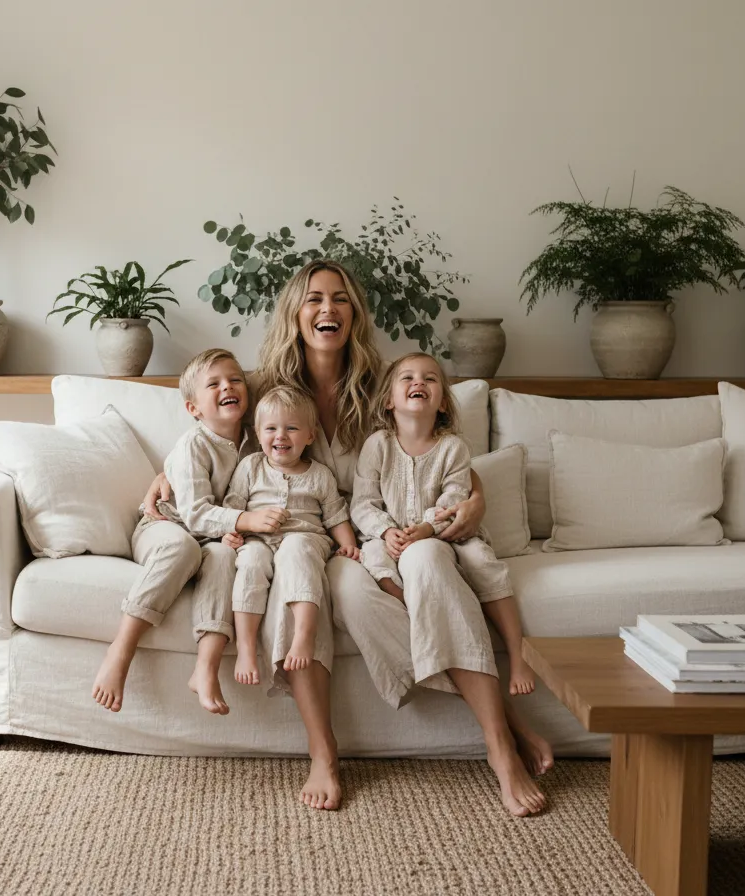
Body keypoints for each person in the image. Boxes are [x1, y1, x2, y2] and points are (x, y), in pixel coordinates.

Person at [146, 259, 554, 815]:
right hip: (310, 535)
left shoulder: (382, 383)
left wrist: (475, 495)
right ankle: (323, 751)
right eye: (314, 299)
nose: (327, 309)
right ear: (296, 312)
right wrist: (167, 472)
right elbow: (209, 436)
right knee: (319, 585)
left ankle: (500, 740)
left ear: (354, 314)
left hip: (366, 532)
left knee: (408, 578)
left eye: (340, 299)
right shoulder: (267, 386)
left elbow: (433, 446)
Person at [92, 348, 282, 715]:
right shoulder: (194, 444)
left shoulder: (256, 440)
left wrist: (233, 533)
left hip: (212, 538)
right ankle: (121, 649)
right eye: (214, 384)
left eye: (235, 379)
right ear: (193, 409)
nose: (228, 387)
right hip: (165, 525)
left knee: (225, 556)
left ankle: (205, 668)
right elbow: (193, 513)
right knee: (182, 549)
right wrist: (243, 521)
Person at [352, 352, 535, 696]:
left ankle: (518, 652)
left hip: (447, 536)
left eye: (430, 378)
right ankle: (422, 622)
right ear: (389, 401)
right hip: (388, 535)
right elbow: (362, 502)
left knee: (483, 563)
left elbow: (455, 495)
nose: (419, 382)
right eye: (407, 378)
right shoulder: (377, 445)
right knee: (374, 559)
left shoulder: (453, 448)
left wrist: (426, 527)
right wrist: (386, 530)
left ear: (443, 405)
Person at [222, 385, 361, 688]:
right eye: (271, 428)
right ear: (259, 434)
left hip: (306, 538)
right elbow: (233, 507)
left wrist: (348, 544)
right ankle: (245, 649)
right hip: (257, 539)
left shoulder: (320, 474)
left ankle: (304, 634)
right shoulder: (250, 467)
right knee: (252, 562)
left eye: (292, 428)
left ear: (310, 436)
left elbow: (336, 515)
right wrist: (233, 533)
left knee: (296, 549)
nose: (281, 435)